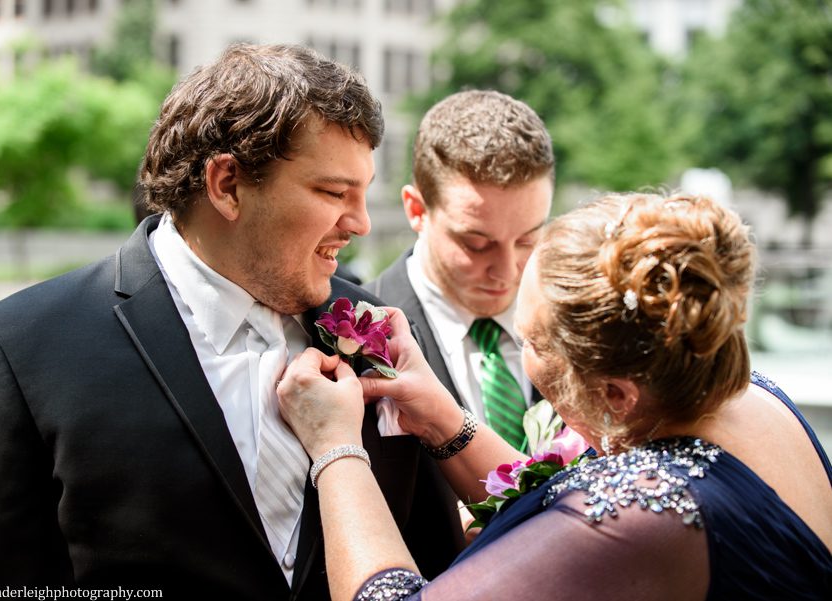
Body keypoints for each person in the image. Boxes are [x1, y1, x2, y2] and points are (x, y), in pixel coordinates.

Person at [0, 43, 464, 597]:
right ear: (227, 185)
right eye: (333, 192)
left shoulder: (378, 331)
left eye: (363, 194)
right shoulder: (17, 349)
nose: (359, 224)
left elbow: (440, 566)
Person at [279, 192, 832, 600]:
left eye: (532, 341)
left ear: (615, 395)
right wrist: (444, 420)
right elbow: (562, 498)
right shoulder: (746, 396)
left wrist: (334, 448)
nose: (521, 349)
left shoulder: (641, 514)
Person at [365, 90, 554, 452]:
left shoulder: (578, 327)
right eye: (476, 244)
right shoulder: (359, 338)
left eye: (528, 239)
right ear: (417, 210)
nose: (506, 270)